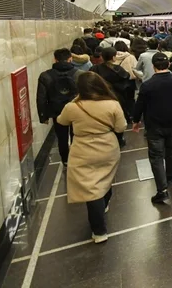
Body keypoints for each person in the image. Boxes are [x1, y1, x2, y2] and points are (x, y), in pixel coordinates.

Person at [56, 72, 126, 244]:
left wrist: (75, 101)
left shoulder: (73, 107)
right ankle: (104, 202)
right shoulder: (112, 104)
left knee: (91, 188)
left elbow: (61, 121)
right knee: (106, 178)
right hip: (107, 147)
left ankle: (99, 231)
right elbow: (121, 127)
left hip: (82, 149)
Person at [132, 53, 172, 203]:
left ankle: (162, 190)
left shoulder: (147, 85)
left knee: (156, 157)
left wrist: (136, 121)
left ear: (153, 66)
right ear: (168, 64)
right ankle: (171, 176)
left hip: (154, 126)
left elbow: (140, 105)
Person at [36, 48, 81, 168]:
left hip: (57, 111)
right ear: (70, 58)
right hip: (77, 110)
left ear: (55, 59)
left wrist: (43, 116)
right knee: (76, 135)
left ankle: (66, 161)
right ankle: (76, 159)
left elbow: (41, 98)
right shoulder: (79, 74)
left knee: (61, 137)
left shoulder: (45, 76)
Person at [89, 47, 133, 146]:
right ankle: (119, 138)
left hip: (100, 97)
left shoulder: (95, 68)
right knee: (117, 118)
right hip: (117, 97)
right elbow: (127, 78)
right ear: (113, 57)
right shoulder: (118, 69)